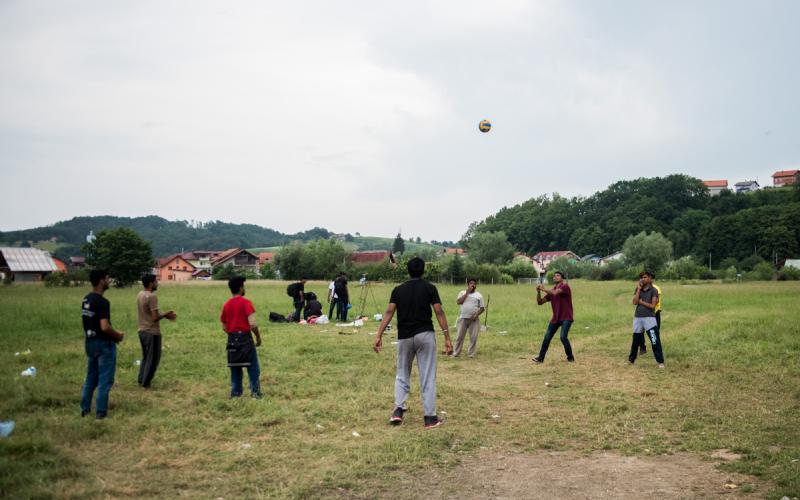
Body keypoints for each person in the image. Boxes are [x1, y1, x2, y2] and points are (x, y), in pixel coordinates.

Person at [374, 257, 453, 429]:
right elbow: (438, 311)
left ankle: (398, 410)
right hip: (425, 335)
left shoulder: (398, 290)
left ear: (408, 271)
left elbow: (389, 311)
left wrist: (379, 335)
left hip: (404, 336)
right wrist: (447, 337)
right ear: (423, 270)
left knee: (402, 373)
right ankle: (430, 418)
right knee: (428, 376)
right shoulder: (430, 288)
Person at [80, 269, 124, 419]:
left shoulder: (86, 299)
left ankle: (85, 409)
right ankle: (101, 412)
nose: (109, 281)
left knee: (91, 378)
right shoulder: (103, 302)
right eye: (107, 278)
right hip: (103, 344)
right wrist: (117, 335)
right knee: (105, 379)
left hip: (90, 342)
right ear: (101, 281)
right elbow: (104, 327)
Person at [220, 276, 263, 398]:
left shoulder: (226, 305)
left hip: (231, 339)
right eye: (243, 286)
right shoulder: (246, 303)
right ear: (240, 288)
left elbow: (224, 326)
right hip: (245, 338)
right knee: (253, 367)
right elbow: (252, 324)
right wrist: (258, 337)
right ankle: (255, 392)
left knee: (235, 367)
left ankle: (235, 393)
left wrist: (233, 335)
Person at [136, 274, 177, 388]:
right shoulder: (152, 296)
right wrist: (166, 314)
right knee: (153, 359)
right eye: (156, 281)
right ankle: (146, 383)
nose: (157, 283)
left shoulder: (140, 294)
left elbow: (149, 314)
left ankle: (141, 379)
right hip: (152, 332)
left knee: (146, 357)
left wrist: (163, 315)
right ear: (151, 284)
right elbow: (154, 318)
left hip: (142, 330)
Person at [532, 271, 575, 363]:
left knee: (563, 337)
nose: (555, 277)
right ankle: (540, 358)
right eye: (554, 276)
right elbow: (540, 302)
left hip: (566, 317)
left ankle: (570, 358)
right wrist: (538, 292)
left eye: (558, 275)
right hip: (556, 318)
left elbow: (555, 293)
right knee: (547, 338)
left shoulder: (565, 286)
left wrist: (543, 289)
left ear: (562, 278)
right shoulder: (552, 291)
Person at [628, 271, 665, 368]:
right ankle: (631, 360)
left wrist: (641, 302)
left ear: (649, 278)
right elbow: (634, 302)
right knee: (635, 340)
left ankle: (660, 362)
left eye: (644, 277)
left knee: (654, 340)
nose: (642, 279)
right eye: (641, 277)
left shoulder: (654, 290)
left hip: (649, 319)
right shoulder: (638, 289)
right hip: (638, 318)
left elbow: (652, 306)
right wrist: (638, 290)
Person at [452, 278, 486, 358]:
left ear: (476, 285)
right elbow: (459, 302)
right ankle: (456, 353)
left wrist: (476, 314)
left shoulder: (479, 295)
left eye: (474, 283)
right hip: (463, 318)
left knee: (473, 337)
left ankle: (471, 354)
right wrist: (467, 292)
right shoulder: (462, 292)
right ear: (467, 285)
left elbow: (482, 308)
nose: (472, 285)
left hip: (474, 319)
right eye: (471, 283)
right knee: (459, 337)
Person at [638, 280, 662, 355]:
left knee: (654, 332)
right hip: (642, 313)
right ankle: (642, 348)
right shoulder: (640, 289)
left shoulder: (656, 288)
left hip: (654, 313)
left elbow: (656, 301)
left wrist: (643, 302)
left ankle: (656, 349)